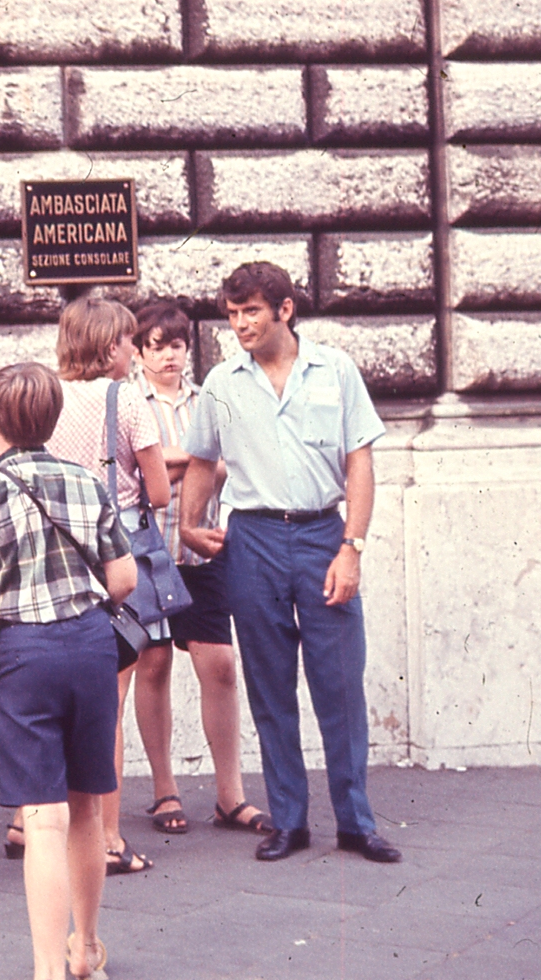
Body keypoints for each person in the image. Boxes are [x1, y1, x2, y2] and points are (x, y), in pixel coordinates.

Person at [0, 363, 137, 980]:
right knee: (87, 809)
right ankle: (86, 948)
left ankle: (46, 969)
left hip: (22, 656)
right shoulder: (87, 483)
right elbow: (124, 578)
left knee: (43, 820)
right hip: (91, 648)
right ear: (54, 418)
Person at [180, 262, 401, 865]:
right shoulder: (222, 383)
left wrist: (352, 547)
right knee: (269, 684)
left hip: (322, 535)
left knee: (340, 683)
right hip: (251, 540)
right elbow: (201, 459)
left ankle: (356, 823)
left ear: (285, 309)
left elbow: (359, 462)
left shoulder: (336, 371)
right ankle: (290, 821)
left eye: (251, 311)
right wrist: (189, 524)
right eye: (232, 314)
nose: (240, 324)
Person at [0, 297, 170, 876]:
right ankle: (106, 836)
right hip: (108, 550)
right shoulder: (124, 398)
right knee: (106, 704)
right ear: (111, 347)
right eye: (129, 341)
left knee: (44, 702)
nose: (133, 351)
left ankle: (23, 821)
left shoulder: (43, 393)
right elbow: (159, 492)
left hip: (42, 555)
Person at [128, 301, 271, 839]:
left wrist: (176, 459)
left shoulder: (208, 398)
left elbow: (229, 459)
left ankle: (230, 795)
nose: (168, 355)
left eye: (176, 345)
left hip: (202, 549)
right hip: (149, 553)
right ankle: (164, 788)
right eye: (156, 346)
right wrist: (195, 459)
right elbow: (135, 468)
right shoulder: (128, 400)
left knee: (220, 665)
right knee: (154, 664)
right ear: (138, 351)